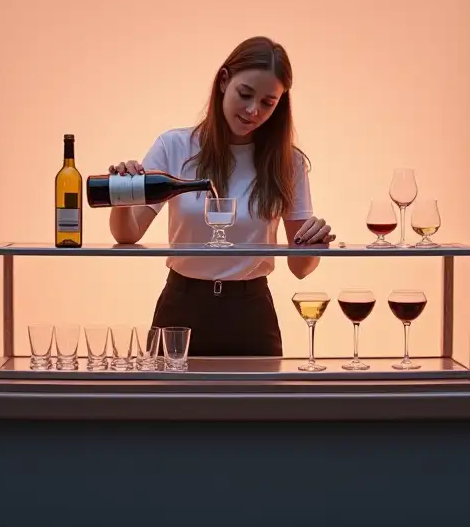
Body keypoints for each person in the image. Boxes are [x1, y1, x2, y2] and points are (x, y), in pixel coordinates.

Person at [107, 36, 333, 357]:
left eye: (268, 102)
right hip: (181, 308)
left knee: (256, 409)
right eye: (245, 94)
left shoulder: (288, 162)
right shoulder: (174, 147)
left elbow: (301, 267)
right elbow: (127, 234)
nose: (254, 110)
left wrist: (314, 244)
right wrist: (122, 194)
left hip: (251, 313)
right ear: (224, 81)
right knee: (168, 408)